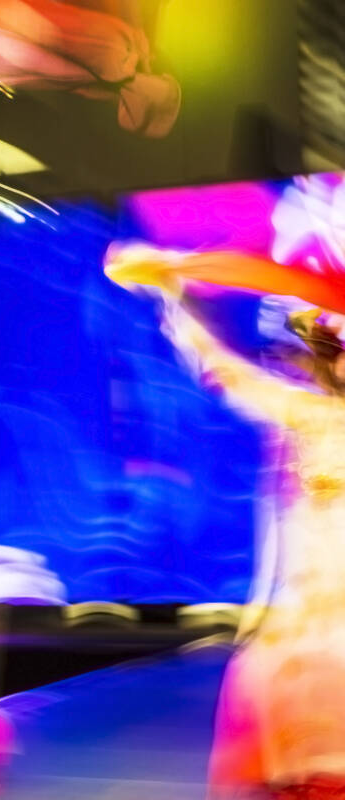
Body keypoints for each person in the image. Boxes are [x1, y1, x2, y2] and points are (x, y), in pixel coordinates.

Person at [107, 241, 345, 800]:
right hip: (307, 619)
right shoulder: (308, 415)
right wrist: (175, 295)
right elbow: (224, 373)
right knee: (286, 749)